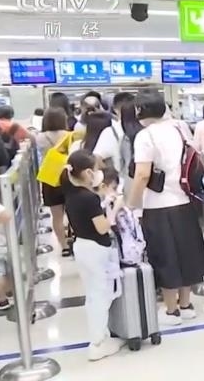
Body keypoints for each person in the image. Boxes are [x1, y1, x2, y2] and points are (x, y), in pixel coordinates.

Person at [127, 91, 204, 327]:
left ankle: (171, 310)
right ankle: (186, 305)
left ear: (140, 110)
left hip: (157, 206)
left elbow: (142, 174)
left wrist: (132, 204)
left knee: (165, 257)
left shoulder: (145, 136)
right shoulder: (179, 128)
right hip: (184, 200)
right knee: (186, 254)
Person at [61, 150, 124, 360]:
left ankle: (101, 336)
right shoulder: (88, 198)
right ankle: (98, 342)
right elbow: (102, 227)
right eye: (96, 169)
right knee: (100, 295)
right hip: (95, 249)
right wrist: (114, 209)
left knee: (93, 294)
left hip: (82, 246)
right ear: (88, 172)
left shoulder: (71, 195)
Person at [36, 108, 72, 256]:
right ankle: (73, 238)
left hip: (50, 178)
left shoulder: (40, 137)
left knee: (56, 216)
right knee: (72, 212)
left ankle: (64, 246)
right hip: (68, 175)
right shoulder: (68, 135)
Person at [93, 93, 132, 175]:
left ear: (115, 109)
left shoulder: (110, 132)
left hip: (122, 178)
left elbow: (97, 159)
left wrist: (111, 174)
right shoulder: (144, 129)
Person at [0, 202, 11, 310]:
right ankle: (9, 292)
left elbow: (6, 216)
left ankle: (2, 300)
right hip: (3, 244)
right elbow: (7, 215)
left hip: (0, 245)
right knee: (5, 271)